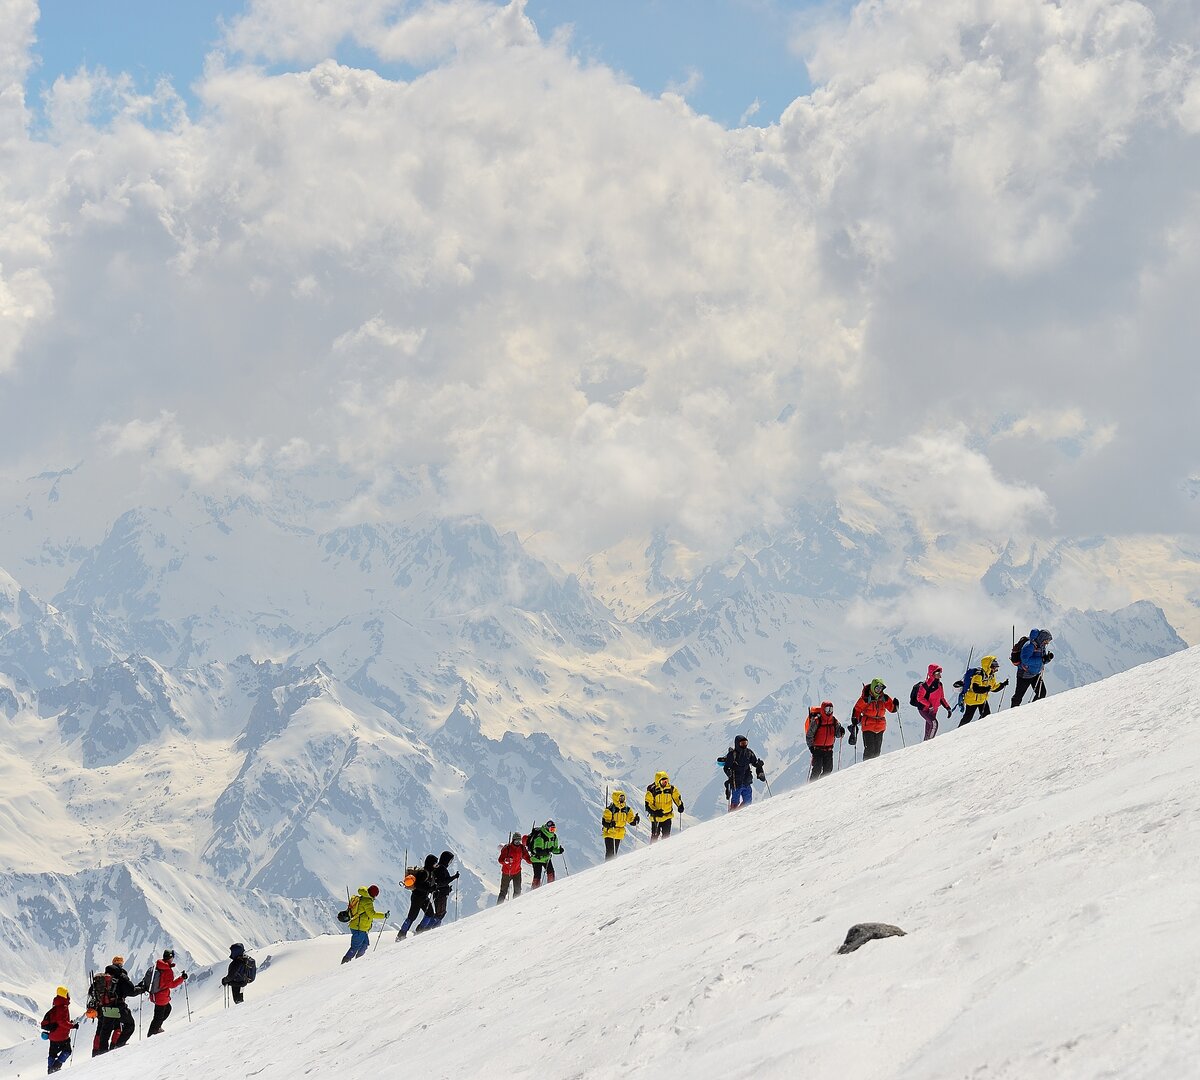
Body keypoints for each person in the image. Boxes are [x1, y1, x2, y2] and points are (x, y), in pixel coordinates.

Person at [91, 957, 145, 1055]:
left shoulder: (104, 977)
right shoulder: (121, 976)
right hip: (118, 1007)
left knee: (106, 1029)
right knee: (130, 1025)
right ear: (121, 964)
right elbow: (131, 991)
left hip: (105, 1007)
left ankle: (102, 1051)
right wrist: (141, 989)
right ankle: (119, 1045)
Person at [852, 679, 899, 760]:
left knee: (877, 751)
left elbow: (892, 709)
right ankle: (866, 767)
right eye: (877, 688)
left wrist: (895, 706)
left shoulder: (884, 698)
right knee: (870, 750)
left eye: (880, 688)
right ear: (873, 687)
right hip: (868, 726)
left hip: (880, 727)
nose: (879, 690)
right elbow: (857, 709)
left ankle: (873, 769)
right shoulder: (865, 698)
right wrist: (855, 718)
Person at [342, 884, 389, 962]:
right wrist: (384, 915)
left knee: (364, 944)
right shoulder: (367, 901)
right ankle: (345, 962)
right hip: (359, 927)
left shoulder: (362, 898)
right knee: (355, 947)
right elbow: (372, 914)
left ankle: (359, 962)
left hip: (360, 927)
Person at [146, 949, 188, 1036]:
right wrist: (182, 978)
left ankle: (156, 1028)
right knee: (158, 1017)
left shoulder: (158, 965)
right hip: (162, 997)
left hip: (156, 994)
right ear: (171, 957)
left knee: (167, 1010)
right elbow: (171, 984)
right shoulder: (167, 970)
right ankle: (152, 1033)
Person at [959, 656, 1008, 726]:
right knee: (968, 718)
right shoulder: (978, 675)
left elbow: (993, 688)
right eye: (995, 668)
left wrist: (1002, 685)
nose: (996, 670)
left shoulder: (991, 676)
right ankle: (959, 731)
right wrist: (986, 689)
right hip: (972, 699)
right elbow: (975, 688)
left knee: (986, 716)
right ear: (988, 666)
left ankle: (981, 729)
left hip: (982, 699)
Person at [720, 735, 766, 810]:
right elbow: (726, 767)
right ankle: (732, 815)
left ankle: (742, 814)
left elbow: (754, 762)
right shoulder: (732, 755)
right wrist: (728, 773)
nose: (744, 745)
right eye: (742, 743)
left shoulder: (749, 752)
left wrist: (759, 765)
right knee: (735, 803)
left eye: (745, 743)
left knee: (748, 801)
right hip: (736, 783)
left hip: (746, 781)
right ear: (737, 743)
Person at [397, 856, 438, 938]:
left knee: (429, 913)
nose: (436, 865)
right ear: (431, 863)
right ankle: (401, 935)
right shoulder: (424, 873)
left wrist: (431, 889)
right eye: (435, 863)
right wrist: (429, 889)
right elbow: (418, 885)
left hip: (423, 897)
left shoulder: (429, 872)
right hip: (418, 897)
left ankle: (419, 931)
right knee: (412, 916)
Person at [1011, 629, 1054, 707]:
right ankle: (1011, 713)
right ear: (1042, 638)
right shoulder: (1029, 645)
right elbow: (1025, 660)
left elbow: (1041, 660)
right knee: (1018, 697)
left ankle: (1032, 710)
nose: (1047, 643)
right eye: (1046, 640)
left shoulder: (1041, 646)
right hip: (1025, 674)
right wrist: (1042, 659)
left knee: (1041, 693)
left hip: (1035, 673)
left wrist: (1046, 659)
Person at [42, 986, 77, 1073]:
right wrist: (72, 1026)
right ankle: (56, 1066)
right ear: (65, 995)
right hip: (61, 1036)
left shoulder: (56, 1005)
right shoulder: (63, 1007)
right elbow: (61, 1022)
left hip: (53, 1036)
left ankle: (50, 1070)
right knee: (67, 1051)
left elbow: (58, 1020)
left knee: (52, 1054)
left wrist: (69, 1022)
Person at [806, 701, 844, 781]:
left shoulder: (834, 721)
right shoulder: (817, 721)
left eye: (831, 709)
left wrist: (841, 732)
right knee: (817, 770)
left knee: (828, 770)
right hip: (818, 750)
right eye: (827, 709)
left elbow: (837, 734)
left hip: (829, 750)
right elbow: (809, 735)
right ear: (823, 709)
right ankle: (811, 786)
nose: (829, 711)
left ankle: (821, 786)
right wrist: (811, 748)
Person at [914, 664, 952, 741]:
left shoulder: (940, 685)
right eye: (938, 674)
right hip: (924, 710)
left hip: (933, 710)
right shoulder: (925, 685)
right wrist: (929, 705)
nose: (940, 676)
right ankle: (929, 743)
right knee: (934, 723)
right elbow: (919, 698)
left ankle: (925, 743)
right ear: (932, 673)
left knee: (929, 728)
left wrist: (948, 708)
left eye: (940, 674)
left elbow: (941, 698)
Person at [644, 772, 684, 839]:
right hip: (656, 818)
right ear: (658, 781)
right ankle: (652, 848)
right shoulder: (652, 790)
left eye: (666, 781)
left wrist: (680, 805)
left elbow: (676, 797)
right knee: (655, 836)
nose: (665, 783)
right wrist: (655, 812)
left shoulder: (671, 789)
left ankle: (665, 849)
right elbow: (648, 804)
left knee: (666, 836)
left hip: (667, 816)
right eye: (663, 781)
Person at [601, 790, 640, 858]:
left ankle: (611, 865)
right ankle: (608, 865)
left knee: (615, 851)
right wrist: (610, 824)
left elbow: (630, 821)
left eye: (623, 798)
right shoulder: (609, 809)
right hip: (609, 832)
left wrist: (635, 820)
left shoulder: (627, 809)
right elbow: (604, 823)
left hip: (619, 833)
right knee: (610, 851)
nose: (622, 799)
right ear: (616, 798)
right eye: (620, 798)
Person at [528, 821, 564, 887]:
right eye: (551, 829)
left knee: (551, 873)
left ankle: (550, 887)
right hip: (537, 859)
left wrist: (559, 851)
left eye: (554, 829)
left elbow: (553, 849)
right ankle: (534, 890)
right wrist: (548, 851)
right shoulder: (540, 836)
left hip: (546, 858)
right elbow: (538, 851)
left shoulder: (554, 837)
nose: (552, 831)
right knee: (537, 876)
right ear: (547, 828)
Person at [497, 832, 529, 902]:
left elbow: (526, 856)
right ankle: (498, 907)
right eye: (516, 841)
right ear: (513, 840)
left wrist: (532, 860)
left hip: (517, 872)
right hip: (507, 873)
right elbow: (500, 860)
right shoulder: (507, 848)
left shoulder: (522, 848)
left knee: (518, 891)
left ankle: (515, 906)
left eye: (519, 841)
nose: (517, 843)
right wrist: (506, 860)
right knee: (503, 892)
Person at [432, 851, 459, 927]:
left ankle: (429, 927)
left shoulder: (438, 867)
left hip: (438, 893)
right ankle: (430, 928)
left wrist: (447, 889)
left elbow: (441, 882)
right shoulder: (441, 868)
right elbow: (442, 882)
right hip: (440, 894)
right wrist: (454, 877)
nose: (450, 863)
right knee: (440, 913)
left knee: (440, 913)